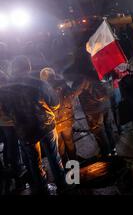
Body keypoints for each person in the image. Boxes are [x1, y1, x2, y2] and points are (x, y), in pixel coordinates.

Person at [5, 56, 66, 194]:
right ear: (29, 67)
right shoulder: (38, 83)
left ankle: (42, 188)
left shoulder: (5, 88)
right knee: (53, 156)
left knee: (34, 161)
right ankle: (62, 183)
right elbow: (55, 104)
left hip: (24, 130)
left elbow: (6, 111)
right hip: (45, 126)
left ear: (13, 69)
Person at [40, 67, 81, 164]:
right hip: (66, 118)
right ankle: (74, 164)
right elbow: (71, 95)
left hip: (54, 122)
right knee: (69, 141)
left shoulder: (43, 88)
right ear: (53, 74)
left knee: (60, 146)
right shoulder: (62, 83)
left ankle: (65, 166)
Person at [76, 71, 116, 158]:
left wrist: (81, 87)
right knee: (108, 128)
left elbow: (75, 93)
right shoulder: (97, 73)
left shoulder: (82, 80)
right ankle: (113, 148)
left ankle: (106, 152)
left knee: (99, 132)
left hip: (94, 111)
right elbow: (109, 91)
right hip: (106, 106)